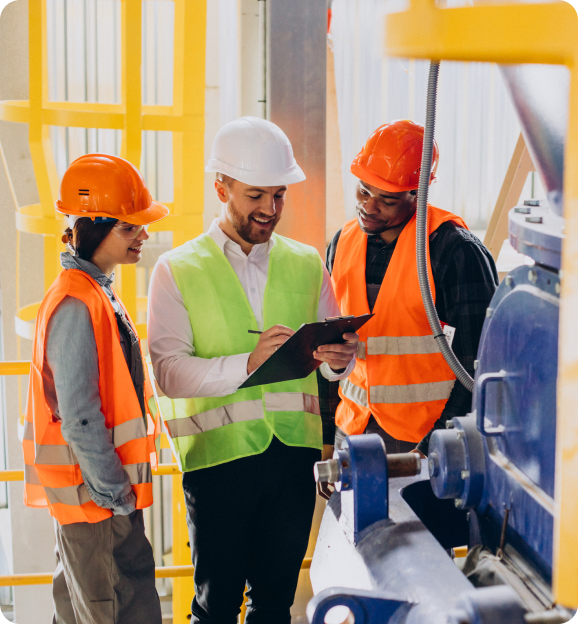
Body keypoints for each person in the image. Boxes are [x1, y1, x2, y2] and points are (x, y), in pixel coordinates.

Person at [148, 116, 358, 624]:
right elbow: (168, 373)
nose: (270, 210)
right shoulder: (175, 270)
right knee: (215, 608)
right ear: (221, 187)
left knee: (274, 606)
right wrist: (247, 363)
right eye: (255, 196)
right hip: (217, 464)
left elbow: (329, 365)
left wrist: (337, 363)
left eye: (279, 196)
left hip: (291, 461)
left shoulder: (309, 264)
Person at [22, 154, 168, 624]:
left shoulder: (95, 291)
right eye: (129, 228)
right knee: (115, 611)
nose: (143, 236)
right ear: (90, 228)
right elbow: (79, 415)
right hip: (98, 500)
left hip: (99, 499)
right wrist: (116, 494)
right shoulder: (76, 301)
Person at [318, 120, 498, 493]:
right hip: (351, 433)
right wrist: (324, 440)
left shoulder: (454, 251)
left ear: (418, 193)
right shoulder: (343, 242)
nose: (369, 207)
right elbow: (327, 344)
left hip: (421, 444)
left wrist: (439, 445)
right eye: (364, 191)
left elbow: (478, 365)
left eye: (386, 200)